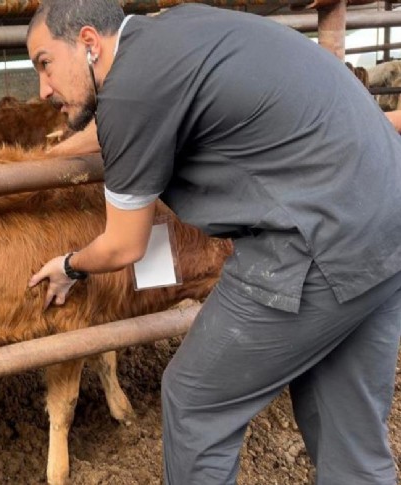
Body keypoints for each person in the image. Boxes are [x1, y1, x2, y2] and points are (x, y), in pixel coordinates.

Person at [26, 1, 401, 484]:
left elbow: (123, 246)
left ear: (88, 42)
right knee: (347, 430)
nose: (42, 89)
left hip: (314, 241)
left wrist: (71, 264)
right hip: (385, 221)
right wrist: (52, 154)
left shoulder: (130, 94)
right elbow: (111, 127)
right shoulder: (176, 33)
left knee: (194, 400)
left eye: (44, 64)